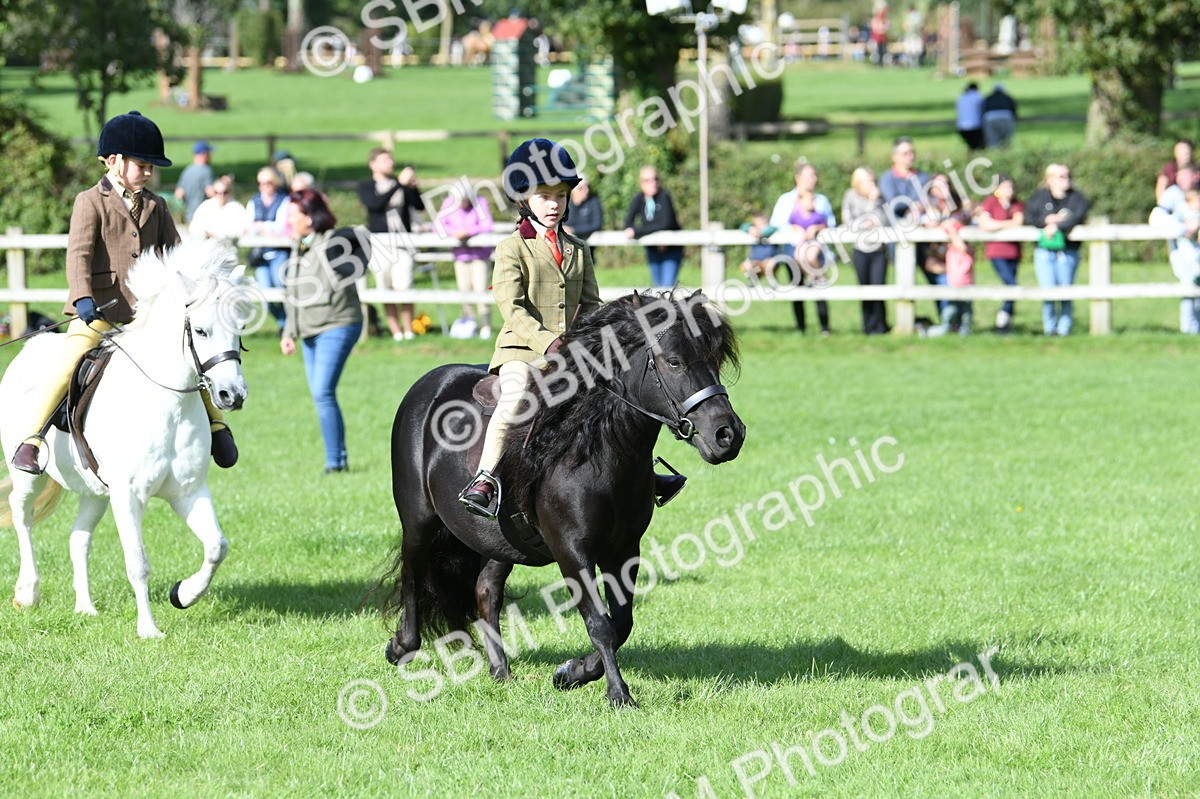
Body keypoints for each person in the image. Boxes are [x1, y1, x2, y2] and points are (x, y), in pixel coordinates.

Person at [11, 111, 236, 474]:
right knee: (69, 359)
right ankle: (32, 439)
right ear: (114, 161)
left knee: (193, 358)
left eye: (151, 166)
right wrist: (82, 296)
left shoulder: (157, 205)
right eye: (142, 164)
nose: (148, 172)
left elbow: (176, 255)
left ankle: (217, 425)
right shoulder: (90, 201)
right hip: (98, 310)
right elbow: (79, 254)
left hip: (146, 316)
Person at [460, 138, 602, 519]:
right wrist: (550, 342)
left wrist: (596, 339)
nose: (554, 204)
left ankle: (643, 471)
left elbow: (590, 304)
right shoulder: (511, 248)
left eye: (560, 195)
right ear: (524, 199)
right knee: (515, 397)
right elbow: (512, 308)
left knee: (619, 392)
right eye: (544, 196)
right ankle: (485, 478)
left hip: (570, 350)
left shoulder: (579, 249)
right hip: (521, 350)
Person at [279, 189, 366, 474]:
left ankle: (335, 463)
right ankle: (336, 460)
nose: (290, 219)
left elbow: (361, 243)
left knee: (322, 391)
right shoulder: (297, 245)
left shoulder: (333, 241)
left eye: (295, 214)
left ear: (311, 217)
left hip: (338, 324)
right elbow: (291, 293)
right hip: (308, 331)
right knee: (320, 394)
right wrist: (288, 332)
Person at [357, 148, 425, 341]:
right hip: (380, 244)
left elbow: (418, 205)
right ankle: (396, 332)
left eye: (391, 159)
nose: (390, 163)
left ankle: (408, 330)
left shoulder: (399, 183)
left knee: (404, 285)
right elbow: (375, 205)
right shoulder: (366, 186)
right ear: (373, 164)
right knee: (385, 286)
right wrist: (398, 185)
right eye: (385, 160)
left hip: (402, 242)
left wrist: (411, 187)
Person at [770, 160, 837, 335]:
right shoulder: (786, 200)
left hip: (815, 250)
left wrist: (816, 229)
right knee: (797, 288)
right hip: (792, 251)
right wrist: (795, 229)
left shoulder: (821, 200)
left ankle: (825, 327)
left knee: (818, 287)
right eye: (809, 175)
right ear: (798, 178)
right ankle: (801, 327)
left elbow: (831, 224)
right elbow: (776, 224)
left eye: (814, 175)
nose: (812, 179)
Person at [1026, 164, 1089, 336]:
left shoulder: (1076, 198)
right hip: (1044, 251)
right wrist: (1047, 221)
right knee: (1048, 291)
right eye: (1060, 176)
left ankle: (1064, 329)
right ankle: (1049, 329)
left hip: (1067, 252)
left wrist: (1057, 224)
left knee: (1065, 290)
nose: (1065, 179)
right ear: (1050, 179)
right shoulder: (1039, 197)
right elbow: (1030, 217)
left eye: (1067, 176)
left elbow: (1078, 216)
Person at [437, 186, 495, 339]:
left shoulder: (480, 202)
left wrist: (468, 231)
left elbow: (487, 225)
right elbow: (438, 225)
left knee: (481, 289)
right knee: (464, 292)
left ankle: (485, 326)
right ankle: (470, 325)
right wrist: (454, 233)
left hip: (480, 255)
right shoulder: (448, 204)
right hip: (460, 255)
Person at [841, 167, 890, 335]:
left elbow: (883, 219)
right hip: (860, 249)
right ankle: (867, 326)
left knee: (878, 287)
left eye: (872, 181)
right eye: (867, 181)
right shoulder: (850, 196)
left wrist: (873, 203)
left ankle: (881, 325)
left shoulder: (879, 197)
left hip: (878, 249)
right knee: (864, 288)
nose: (871, 184)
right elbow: (850, 222)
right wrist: (869, 211)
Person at [244, 166, 291, 334]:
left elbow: (281, 227)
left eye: (268, 182)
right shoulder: (254, 201)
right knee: (265, 295)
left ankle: (289, 324)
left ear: (275, 183)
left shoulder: (284, 200)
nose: (265, 186)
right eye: (261, 183)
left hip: (279, 253)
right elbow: (247, 226)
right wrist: (267, 228)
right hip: (261, 255)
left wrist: (260, 226)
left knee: (281, 287)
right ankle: (283, 322)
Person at [976, 174, 1024, 332]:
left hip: (1014, 252)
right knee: (1012, 285)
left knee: (1012, 286)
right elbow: (985, 224)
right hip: (997, 252)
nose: (1009, 190)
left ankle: (1006, 323)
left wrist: (997, 225)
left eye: (1010, 187)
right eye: (1005, 187)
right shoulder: (991, 203)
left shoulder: (1016, 204)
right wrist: (1007, 224)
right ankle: (1003, 319)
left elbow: (1018, 222)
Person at [624, 166, 683, 288]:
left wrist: (637, 230)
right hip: (653, 249)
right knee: (657, 288)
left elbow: (665, 223)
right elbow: (627, 223)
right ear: (641, 183)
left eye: (655, 179)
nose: (653, 183)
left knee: (667, 287)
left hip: (671, 249)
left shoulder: (664, 196)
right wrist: (635, 230)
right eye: (647, 180)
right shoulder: (639, 199)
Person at [926, 216, 975, 336]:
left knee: (966, 310)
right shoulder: (951, 249)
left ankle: (963, 330)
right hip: (954, 282)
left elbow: (961, 246)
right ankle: (947, 327)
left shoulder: (966, 249)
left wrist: (951, 230)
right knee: (951, 309)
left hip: (966, 282)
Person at [188, 175, 245, 242]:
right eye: (217, 192)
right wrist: (204, 234)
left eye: (225, 192)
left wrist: (217, 235)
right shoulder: (205, 206)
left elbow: (241, 229)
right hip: (208, 246)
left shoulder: (237, 208)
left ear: (229, 192)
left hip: (228, 247)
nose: (221, 196)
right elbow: (194, 226)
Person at [174, 140, 213, 223]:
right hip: (202, 216)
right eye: (209, 154)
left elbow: (178, 193)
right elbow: (210, 192)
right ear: (204, 154)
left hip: (188, 216)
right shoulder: (206, 170)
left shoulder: (187, 170)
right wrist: (224, 185)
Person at [738, 212, 779, 282]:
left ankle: (771, 281)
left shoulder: (771, 230)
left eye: (762, 223)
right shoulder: (752, 230)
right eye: (757, 224)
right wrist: (750, 229)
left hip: (769, 261)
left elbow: (774, 228)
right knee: (746, 265)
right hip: (756, 262)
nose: (760, 226)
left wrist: (760, 233)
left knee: (768, 264)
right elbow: (743, 226)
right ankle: (754, 280)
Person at [565, 176, 603, 241]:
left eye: (587, 186)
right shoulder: (565, 202)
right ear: (573, 190)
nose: (586, 190)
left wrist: (573, 229)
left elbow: (597, 224)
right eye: (581, 188)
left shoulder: (593, 201)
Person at [982, 84, 1018, 148]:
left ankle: (995, 153)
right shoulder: (1008, 98)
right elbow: (1014, 109)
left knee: (993, 140)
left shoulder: (988, 98)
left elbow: (983, 110)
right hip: (1006, 117)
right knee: (1007, 139)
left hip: (990, 118)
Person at [955, 83, 985, 151]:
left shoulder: (960, 98)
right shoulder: (978, 97)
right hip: (975, 126)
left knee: (971, 147)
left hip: (962, 127)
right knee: (977, 147)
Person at [869, 0, 889, 67]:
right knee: (878, 51)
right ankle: (878, 64)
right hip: (877, 39)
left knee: (883, 51)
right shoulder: (876, 19)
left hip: (883, 38)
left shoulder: (884, 20)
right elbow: (875, 29)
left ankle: (881, 64)